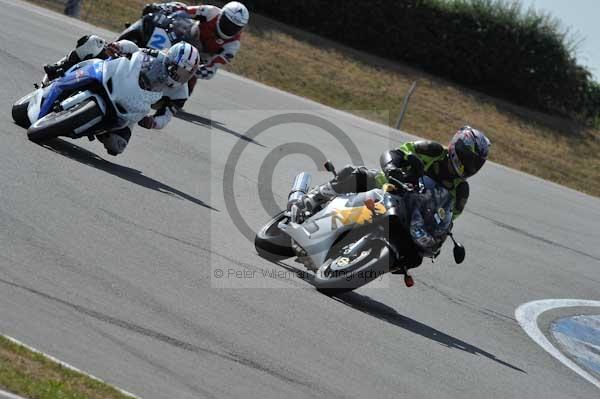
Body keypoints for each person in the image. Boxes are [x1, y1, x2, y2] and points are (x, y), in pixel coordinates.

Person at [303, 126, 491, 271]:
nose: (470, 165)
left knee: (413, 257)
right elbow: (396, 153)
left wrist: (440, 232)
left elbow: (448, 217)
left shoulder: (461, 191)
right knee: (355, 175)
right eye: (469, 158)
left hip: (412, 214)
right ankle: (313, 199)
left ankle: (368, 262)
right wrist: (393, 167)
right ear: (457, 147)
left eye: (476, 163)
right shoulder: (432, 150)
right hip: (388, 186)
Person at [43, 35, 200, 155]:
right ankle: (59, 68)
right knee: (93, 41)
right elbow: (135, 49)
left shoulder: (180, 93)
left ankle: (95, 128)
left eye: (185, 74)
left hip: (135, 106)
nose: (179, 76)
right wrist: (118, 46)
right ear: (170, 60)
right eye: (177, 69)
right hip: (121, 79)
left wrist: (153, 122)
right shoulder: (158, 57)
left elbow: (166, 116)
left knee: (117, 146)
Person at [141, 1, 249, 85]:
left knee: (188, 88)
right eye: (227, 23)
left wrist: (190, 69)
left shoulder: (233, 45)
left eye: (235, 27)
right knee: (160, 26)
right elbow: (184, 9)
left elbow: (211, 70)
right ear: (221, 15)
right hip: (186, 35)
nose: (230, 28)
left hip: (200, 57)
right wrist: (161, 7)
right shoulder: (211, 12)